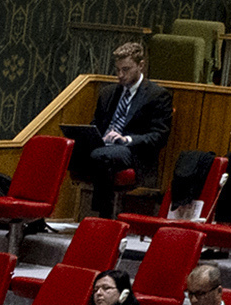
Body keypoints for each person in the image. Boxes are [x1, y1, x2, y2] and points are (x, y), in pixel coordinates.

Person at [70, 39, 175, 214]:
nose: (120, 75)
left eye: (125, 70)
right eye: (117, 70)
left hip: (133, 151)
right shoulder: (108, 93)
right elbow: (96, 124)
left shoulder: (157, 95)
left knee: (103, 156)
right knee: (64, 149)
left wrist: (126, 139)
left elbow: (159, 136)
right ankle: (38, 218)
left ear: (141, 65)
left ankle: (100, 215)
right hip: (104, 144)